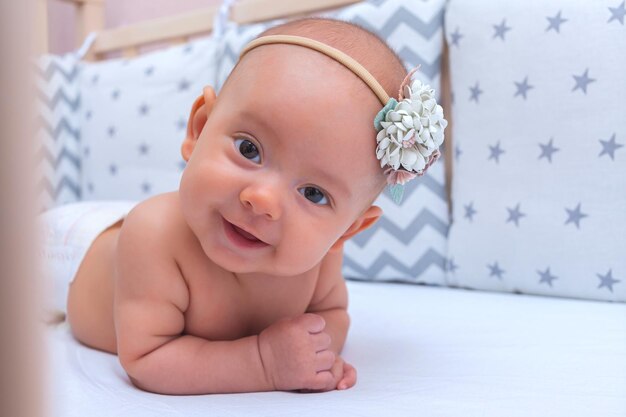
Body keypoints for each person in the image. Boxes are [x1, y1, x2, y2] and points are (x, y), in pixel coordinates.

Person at [61, 17, 446, 395]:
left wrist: (311, 352)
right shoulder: (154, 235)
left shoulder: (319, 258)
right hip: (70, 250)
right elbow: (146, 360)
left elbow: (332, 318)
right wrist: (264, 363)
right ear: (199, 129)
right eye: (249, 149)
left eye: (313, 194)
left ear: (346, 231)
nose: (263, 201)